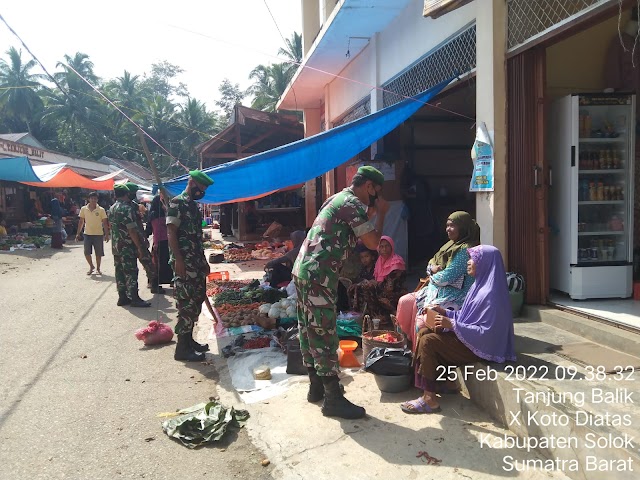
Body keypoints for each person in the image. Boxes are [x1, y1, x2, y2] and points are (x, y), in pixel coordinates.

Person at [293, 165, 389, 419]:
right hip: (319, 275)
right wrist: (381, 214)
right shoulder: (353, 204)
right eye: (375, 192)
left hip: (305, 270)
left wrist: (372, 208)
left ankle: (316, 386)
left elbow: (357, 226)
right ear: (368, 186)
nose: (375, 197)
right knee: (324, 331)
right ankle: (333, 398)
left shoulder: (338, 198)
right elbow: (372, 243)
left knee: (308, 327)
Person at [400, 245, 516, 414]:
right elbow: (466, 315)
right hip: (472, 338)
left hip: (483, 346)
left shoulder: (492, 295)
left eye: (474, 259)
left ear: (484, 264)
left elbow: (488, 333)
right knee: (425, 331)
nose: (469, 263)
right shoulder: (479, 286)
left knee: (428, 342)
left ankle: (429, 399)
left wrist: (452, 324)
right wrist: (444, 312)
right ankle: (442, 383)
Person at [396, 211, 480, 350]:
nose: (448, 229)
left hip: (455, 297)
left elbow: (446, 277)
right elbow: (431, 265)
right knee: (405, 302)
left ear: (463, 227)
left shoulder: (467, 249)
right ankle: (407, 346)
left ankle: (420, 357)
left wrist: (433, 274)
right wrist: (431, 270)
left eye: (453, 225)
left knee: (423, 321)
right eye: (447, 225)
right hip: (437, 290)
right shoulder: (448, 246)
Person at [167, 170, 214, 361]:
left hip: (195, 262)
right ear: (192, 182)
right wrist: (178, 259)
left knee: (196, 302)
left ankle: (189, 341)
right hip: (184, 264)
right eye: (201, 186)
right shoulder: (177, 202)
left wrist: (203, 263)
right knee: (186, 305)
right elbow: (171, 232)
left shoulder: (193, 207)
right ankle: (182, 349)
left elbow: (196, 238)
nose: (203, 190)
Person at [108, 184, 151, 308]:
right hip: (127, 246)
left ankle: (122, 297)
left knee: (119, 271)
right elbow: (131, 230)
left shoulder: (112, 208)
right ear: (127, 194)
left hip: (116, 246)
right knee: (131, 271)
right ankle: (134, 298)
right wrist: (139, 247)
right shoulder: (126, 209)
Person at [348, 236, 407, 325]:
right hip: (381, 289)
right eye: (381, 246)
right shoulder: (379, 262)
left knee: (368, 287)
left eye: (387, 246)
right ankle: (369, 316)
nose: (384, 249)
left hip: (395, 292)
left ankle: (384, 316)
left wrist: (375, 284)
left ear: (392, 247)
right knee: (361, 287)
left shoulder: (396, 262)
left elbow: (389, 287)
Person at [126, 183, 162, 294]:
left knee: (125, 270)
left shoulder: (116, 207)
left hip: (123, 244)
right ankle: (152, 285)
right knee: (149, 264)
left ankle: (124, 295)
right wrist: (140, 244)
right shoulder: (130, 207)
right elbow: (135, 228)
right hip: (135, 241)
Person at [76, 192, 110, 275]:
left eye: (95, 198)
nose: (93, 200)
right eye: (92, 198)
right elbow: (81, 222)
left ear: (97, 200)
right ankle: (91, 266)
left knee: (98, 253)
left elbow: (105, 222)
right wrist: (78, 233)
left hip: (98, 234)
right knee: (87, 252)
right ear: (89, 199)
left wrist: (106, 234)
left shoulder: (101, 210)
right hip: (87, 233)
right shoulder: (84, 209)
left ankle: (98, 268)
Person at [146, 192, 174, 286]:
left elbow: (149, 230)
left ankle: (160, 282)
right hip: (163, 241)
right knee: (162, 263)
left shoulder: (157, 213)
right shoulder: (160, 214)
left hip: (162, 241)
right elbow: (158, 229)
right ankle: (159, 283)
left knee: (161, 263)